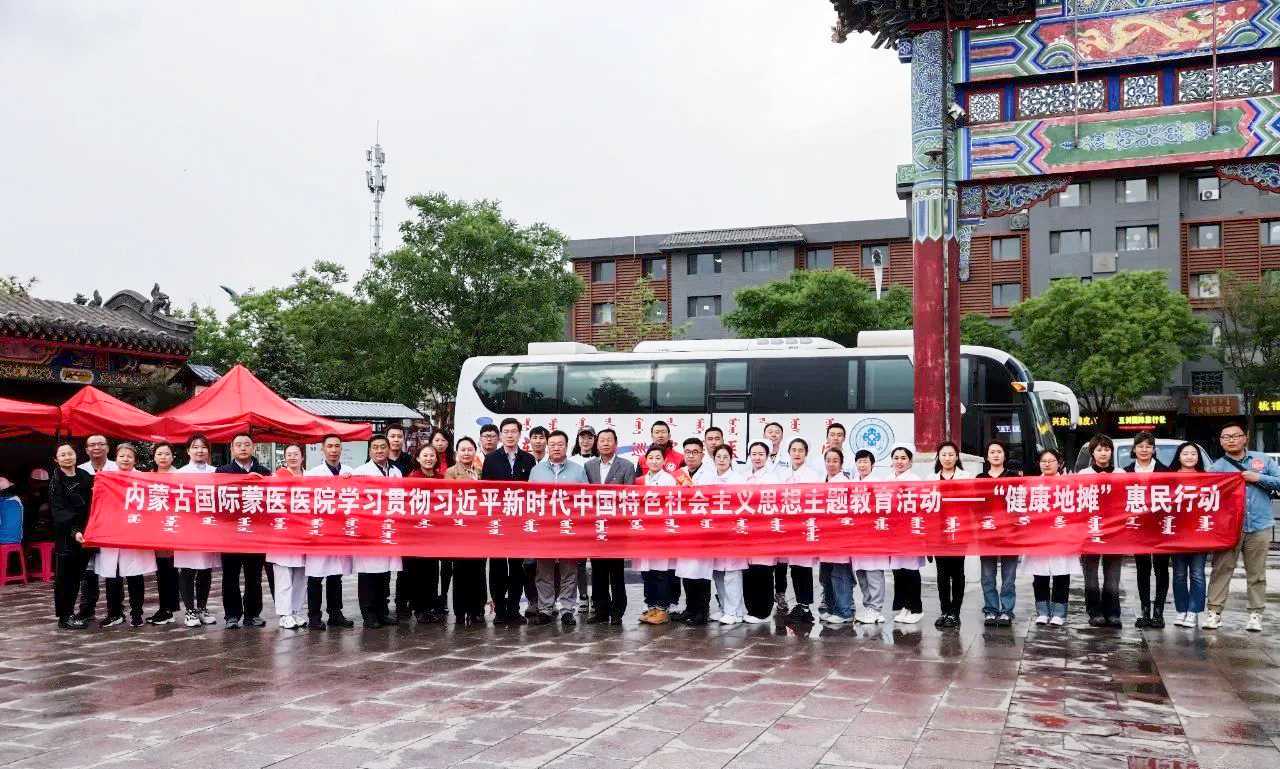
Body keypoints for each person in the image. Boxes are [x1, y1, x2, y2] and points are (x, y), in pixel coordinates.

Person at [1204, 422, 1280, 632]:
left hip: (1259, 525)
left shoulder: (1262, 460)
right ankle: (1214, 612)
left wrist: (1259, 478)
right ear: (1221, 442)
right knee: (1221, 570)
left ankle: (1255, 614)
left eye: (1235, 436)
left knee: (1257, 573)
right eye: (1226, 437)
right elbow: (1207, 495)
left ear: (1245, 438)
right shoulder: (1217, 468)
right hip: (1229, 528)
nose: (1231, 440)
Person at [529, 430, 588, 626]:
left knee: (569, 571)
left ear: (566, 446)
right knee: (543, 571)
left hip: (568, 528)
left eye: (560, 444)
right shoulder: (536, 471)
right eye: (552, 444)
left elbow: (586, 499)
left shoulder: (578, 471)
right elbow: (529, 499)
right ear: (547, 446)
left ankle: (567, 610)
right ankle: (546, 609)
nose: (556, 448)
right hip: (544, 529)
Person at [481, 418, 536, 625]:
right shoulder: (491, 459)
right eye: (506, 431)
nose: (510, 435)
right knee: (497, 566)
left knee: (517, 567)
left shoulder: (528, 459)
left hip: (519, 522)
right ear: (500, 435)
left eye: (514, 431)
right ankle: (500, 610)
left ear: (520, 434)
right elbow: (485, 491)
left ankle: (514, 608)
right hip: (497, 520)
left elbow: (532, 491)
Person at [96, 443, 156, 627]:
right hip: (111, 533)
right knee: (112, 576)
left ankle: (137, 613)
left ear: (135, 460)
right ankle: (114, 613)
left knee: (135, 576)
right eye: (122, 456)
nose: (125, 459)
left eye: (129, 456)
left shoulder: (143, 479)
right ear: (116, 458)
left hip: (134, 532)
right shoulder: (106, 477)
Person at [215, 434, 272, 629]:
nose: (243, 448)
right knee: (230, 576)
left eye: (247, 444)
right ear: (232, 449)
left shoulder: (264, 472)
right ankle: (231, 615)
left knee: (254, 576)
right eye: (238, 445)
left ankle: (252, 614)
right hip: (230, 532)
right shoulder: (222, 472)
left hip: (256, 532)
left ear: (253, 447)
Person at [303, 435, 355, 630]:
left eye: (337, 446)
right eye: (330, 446)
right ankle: (314, 616)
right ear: (323, 449)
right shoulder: (313, 474)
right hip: (320, 529)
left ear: (341, 449)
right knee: (316, 576)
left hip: (341, 530)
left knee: (336, 575)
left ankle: (335, 613)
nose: (333, 450)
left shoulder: (350, 472)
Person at [584, 428, 635, 625]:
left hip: (616, 527)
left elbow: (630, 496)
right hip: (595, 527)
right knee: (597, 571)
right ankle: (601, 611)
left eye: (609, 440)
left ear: (616, 443)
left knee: (616, 571)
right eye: (602, 440)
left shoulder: (626, 466)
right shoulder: (589, 466)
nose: (605, 443)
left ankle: (617, 612)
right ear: (596, 444)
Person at [352, 435, 403, 628]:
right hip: (368, 529)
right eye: (375, 447)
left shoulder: (396, 472)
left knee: (384, 573)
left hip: (388, 528)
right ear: (369, 451)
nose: (379, 451)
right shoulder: (360, 472)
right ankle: (369, 613)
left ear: (389, 449)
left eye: (383, 447)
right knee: (368, 573)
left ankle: (382, 611)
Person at [1024, 449, 1077, 627]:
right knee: (1040, 575)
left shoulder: (1068, 484)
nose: (1047, 464)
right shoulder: (1031, 485)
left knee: (1061, 574)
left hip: (1062, 537)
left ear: (1059, 463)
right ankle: (1042, 612)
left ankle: (1059, 613)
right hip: (1039, 537)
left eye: (1051, 460)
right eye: (1043, 461)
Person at [1125, 431, 1171, 629]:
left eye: (1148, 446)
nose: (1144, 450)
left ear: (1154, 449)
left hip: (1160, 527)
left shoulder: (1166, 471)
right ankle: (1144, 611)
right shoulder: (1125, 472)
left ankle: (1158, 613)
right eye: (1140, 446)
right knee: (1142, 569)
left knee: (1161, 569)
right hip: (1138, 527)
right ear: (1134, 449)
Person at [1078, 434, 1123, 628]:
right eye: (1099, 449)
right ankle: (1094, 611)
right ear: (1092, 453)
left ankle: (1113, 612)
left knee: (1113, 574)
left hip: (1115, 529)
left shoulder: (1120, 473)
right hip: (1091, 528)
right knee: (1091, 573)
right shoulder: (1084, 474)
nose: (1103, 453)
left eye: (1106, 449)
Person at [176, 435, 220, 627]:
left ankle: (202, 607)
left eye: (203, 447)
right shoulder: (180, 473)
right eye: (195, 447)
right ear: (188, 451)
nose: (199, 450)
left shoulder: (216, 472)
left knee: (205, 568)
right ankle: (189, 610)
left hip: (209, 525)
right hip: (188, 526)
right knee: (187, 569)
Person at [779, 438, 822, 624]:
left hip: (804, 527)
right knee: (794, 567)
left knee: (803, 567)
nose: (797, 453)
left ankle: (805, 606)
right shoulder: (782, 474)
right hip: (788, 527)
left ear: (806, 453)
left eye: (800, 450)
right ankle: (801, 605)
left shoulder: (812, 475)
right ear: (789, 452)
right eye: (793, 450)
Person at [72, 434, 115, 622]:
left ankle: (115, 610)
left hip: (112, 525)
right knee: (88, 568)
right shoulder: (79, 471)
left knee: (113, 568)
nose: (96, 447)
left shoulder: (117, 468)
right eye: (92, 445)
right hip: (88, 524)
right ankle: (87, 608)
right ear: (86, 449)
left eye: (100, 444)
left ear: (108, 448)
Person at [672, 438, 715, 625]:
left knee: (701, 573)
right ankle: (690, 608)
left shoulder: (710, 475)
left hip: (702, 529)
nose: (691, 456)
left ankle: (701, 612)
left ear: (702, 454)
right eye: (688, 452)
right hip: (684, 528)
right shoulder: (679, 475)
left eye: (695, 452)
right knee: (686, 571)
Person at [265, 444, 308, 630]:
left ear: (302, 457)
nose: (292, 457)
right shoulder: (277, 477)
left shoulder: (310, 477)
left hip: (304, 534)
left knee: (301, 576)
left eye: (295, 454)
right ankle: (284, 614)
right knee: (283, 576)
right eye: (288, 454)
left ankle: (296, 611)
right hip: (283, 534)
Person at [977, 440, 1019, 627]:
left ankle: (1007, 611)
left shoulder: (1013, 477)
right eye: (992, 452)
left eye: (999, 451)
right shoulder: (980, 478)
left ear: (1004, 455)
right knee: (987, 575)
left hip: (1010, 533)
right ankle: (991, 610)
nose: (995, 455)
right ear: (987, 456)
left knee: (1009, 576)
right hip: (986, 532)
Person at [50, 443, 92, 630]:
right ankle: (64, 616)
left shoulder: (85, 476)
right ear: (56, 459)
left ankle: (71, 613)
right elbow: (59, 511)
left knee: (76, 577)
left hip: (86, 534)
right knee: (64, 578)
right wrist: (74, 531)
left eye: (70, 453)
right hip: (67, 537)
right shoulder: (56, 482)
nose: (67, 457)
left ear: (76, 455)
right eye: (62, 455)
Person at [929, 441, 971, 629]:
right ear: (938, 457)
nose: (947, 458)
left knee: (958, 572)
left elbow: (971, 504)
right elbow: (927, 507)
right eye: (943, 455)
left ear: (957, 457)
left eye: (951, 454)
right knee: (942, 573)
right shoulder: (931, 478)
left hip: (959, 529)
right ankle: (944, 610)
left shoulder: (966, 477)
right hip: (938, 531)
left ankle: (955, 612)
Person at [445, 437, 486, 626]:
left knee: (478, 571)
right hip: (459, 529)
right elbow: (452, 495)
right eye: (463, 450)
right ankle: (460, 612)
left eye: (470, 449)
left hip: (478, 528)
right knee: (460, 571)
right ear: (457, 453)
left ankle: (477, 610)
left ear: (475, 452)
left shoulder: (481, 471)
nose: (466, 453)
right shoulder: (451, 472)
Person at [635, 446, 677, 624]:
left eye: (658, 458)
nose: (654, 461)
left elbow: (672, 506)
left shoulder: (669, 480)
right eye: (651, 458)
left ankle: (662, 608)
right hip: (644, 532)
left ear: (664, 461)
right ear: (646, 460)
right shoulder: (640, 481)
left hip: (660, 532)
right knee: (647, 572)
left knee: (661, 571)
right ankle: (651, 606)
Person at [1169, 442, 1208, 629]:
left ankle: (1193, 611)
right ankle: (1181, 610)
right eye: (1185, 453)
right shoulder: (1168, 477)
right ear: (1179, 456)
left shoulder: (1207, 478)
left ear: (1198, 457)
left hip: (1199, 533)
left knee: (1197, 574)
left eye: (1193, 453)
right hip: (1177, 534)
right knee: (1179, 574)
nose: (1190, 457)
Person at [707, 445, 747, 625]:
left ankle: (735, 611)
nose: (722, 460)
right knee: (717, 573)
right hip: (714, 532)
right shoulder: (709, 478)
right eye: (718, 456)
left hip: (732, 532)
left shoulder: (739, 479)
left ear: (731, 459)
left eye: (725, 457)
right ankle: (724, 608)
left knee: (732, 572)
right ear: (714, 458)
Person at [404, 443, 444, 624]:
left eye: (432, 455)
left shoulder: (441, 478)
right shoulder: (412, 478)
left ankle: (430, 607)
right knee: (417, 573)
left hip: (435, 534)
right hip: (416, 534)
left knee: (432, 572)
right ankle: (419, 609)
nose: (429, 458)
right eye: (425, 455)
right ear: (418, 458)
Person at [742, 441, 780, 624]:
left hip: (764, 531)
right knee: (749, 572)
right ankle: (752, 609)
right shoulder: (744, 477)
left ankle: (764, 612)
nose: (757, 458)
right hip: (747, 530)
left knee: (763, 572)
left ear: (767, 456)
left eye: (761, 454)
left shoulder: (772, 478)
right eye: (754, 454)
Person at [849, 449, 889, 625]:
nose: (862, 465)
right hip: (857, 536)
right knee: (861, 573)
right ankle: (868, 606)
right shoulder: (852, 483)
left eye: (866, 461)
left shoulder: (878, 483)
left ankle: (876, 608)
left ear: (872, 464)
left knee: (874, 573)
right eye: (859, 461)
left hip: (873, 536)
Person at [888, 444, 925, 624]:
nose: (899, 462)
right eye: (896, 458)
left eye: (903, 458)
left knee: (911, 570)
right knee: (898, 571)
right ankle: (903, 606)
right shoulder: (888, 480)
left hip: (910, 532)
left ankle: (916, 608)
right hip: (894, 533)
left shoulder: (915, 480)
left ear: (910, 461)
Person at [145, 442, 181, 625]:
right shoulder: (147, 477)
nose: (163, 457)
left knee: (169, 569)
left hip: (173, 527)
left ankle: (168, 608)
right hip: (153, 529)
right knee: (161, 570)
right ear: (154, 457)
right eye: (159, 454)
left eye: (167, 454)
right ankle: (165, 607)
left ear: (173, 457)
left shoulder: (180, 476)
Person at [819, 448, 855, 624]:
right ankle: (832, 608)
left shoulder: (845, 483)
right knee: (826, 574)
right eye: (828, 460)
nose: (831, 464)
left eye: (835, 461)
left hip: (840, 535)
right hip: (824, 535)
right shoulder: (822, 481)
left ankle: (844, 611)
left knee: (840, 573)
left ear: (841, 464)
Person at [385, 425, 413, 620]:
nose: (396, 440)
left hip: (405, 518)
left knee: (405, 565)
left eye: (399, 436)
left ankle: (402, 602)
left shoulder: (410, 461)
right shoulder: (376, 460)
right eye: (392, 436)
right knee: (383, 563)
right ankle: (383, 603)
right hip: (383, 519)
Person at [761, 421, 790, 612]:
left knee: (781, 558)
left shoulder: (788, 458)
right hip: (761, 515)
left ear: (781, 436)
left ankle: (780, 593)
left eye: (777, 432)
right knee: (763, 557)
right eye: (769, 431)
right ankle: (764, 595)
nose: (773, 434)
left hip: (782, 513)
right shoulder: (756, 455)